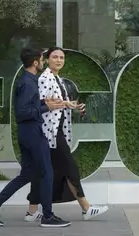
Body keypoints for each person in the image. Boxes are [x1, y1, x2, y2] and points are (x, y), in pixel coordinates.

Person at [0, 47, 71, 228]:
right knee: (47, 173)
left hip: (28, 133)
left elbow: (29, 105)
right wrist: (47, 108)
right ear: (35, 62)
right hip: (32, 133)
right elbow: (22, 112)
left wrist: (45, 103)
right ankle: (47, 216)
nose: (44, 62)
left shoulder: (29, 80)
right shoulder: (29, 83)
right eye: (42, 60)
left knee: (27, 174)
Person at [24, 46, 108, 222]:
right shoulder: (45, 79)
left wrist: (75, 107)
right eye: (55, 57)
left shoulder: (58, 79)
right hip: (49, 132)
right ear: (46, 60)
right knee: (69, 168)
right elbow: (40, 103)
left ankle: (31, 212)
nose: (59, 60)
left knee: (43, 171)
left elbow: (60, 103)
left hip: (57, 131)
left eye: (62, 58)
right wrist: (63, 104)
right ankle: (86, 208)